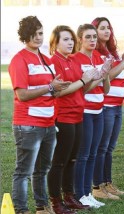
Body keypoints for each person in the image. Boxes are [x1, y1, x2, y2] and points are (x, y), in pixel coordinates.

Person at [9, 15, 70, 214]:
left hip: (48, 123)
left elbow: (51, 89)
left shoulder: (44, 58)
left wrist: (58, 87)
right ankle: (21, 210)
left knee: (42, 170)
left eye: (41, 33)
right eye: (33, 34)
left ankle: (42, 208)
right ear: (24, 35)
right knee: (24, 172)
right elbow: (22, 94)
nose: (38, 37)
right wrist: (50, 86)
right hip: (28, 124)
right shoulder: (19, 59)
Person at [47, 25, 93, 213]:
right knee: (59, 161)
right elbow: (59, 92)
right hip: (63, 116)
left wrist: (95, 78)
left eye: (71, 39)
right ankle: (56, 202)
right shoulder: (54, 61)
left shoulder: (73, 60)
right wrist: (82, 81)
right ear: (55, 43)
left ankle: (69, 196)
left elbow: (80, 88)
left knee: (72, 159)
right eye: (65, 39)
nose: (70, 42)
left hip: (78, 115)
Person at [91, 17, 124, 200]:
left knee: (110, 147)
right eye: (102, 28)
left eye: (108, 28)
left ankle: (107, 183)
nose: (106, 31)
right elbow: (108, 74)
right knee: (102, 147)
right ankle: (98, 186)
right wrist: (122, 62)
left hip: (117, 105)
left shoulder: (112, 52)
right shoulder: (95, 53)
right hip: (106, 104)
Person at [72, 24, 113, 207]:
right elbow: (83, 88)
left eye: (94, 37)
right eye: (88, 37)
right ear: (80, 39)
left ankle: (88, 193)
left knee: (94, 153)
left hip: (99, 110)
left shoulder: (97, 56)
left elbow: (106, 89)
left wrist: (106, 75)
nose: (92, 40)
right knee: (84, 154)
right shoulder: (76, 59)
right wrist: (98, 75)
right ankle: (79, 194)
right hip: (85, 111)